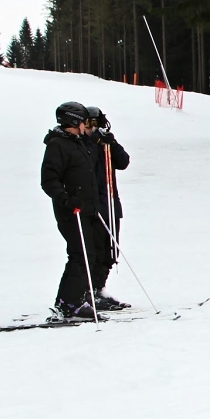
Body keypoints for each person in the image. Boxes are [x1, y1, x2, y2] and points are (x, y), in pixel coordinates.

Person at [40, 101, 102, 320]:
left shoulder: (77, 143)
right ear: (74, 122)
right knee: (81, 255)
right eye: (85, 121)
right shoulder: (57, 145)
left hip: (86, 210)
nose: (87, 126)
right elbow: (49, 180)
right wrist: (66, 199)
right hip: (71, 211)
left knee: (86, 255)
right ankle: (69, 304)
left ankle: (70, 301)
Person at [84, 105, 131, 310]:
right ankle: (88, 290)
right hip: (92, 206)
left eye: (96, 124)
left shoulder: (105, 142)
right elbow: (86, 164)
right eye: (89, 124)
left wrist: (112, 143)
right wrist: (93, 143)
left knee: (110, 250)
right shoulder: (82, 144)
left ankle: (100, 288)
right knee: (94, 250)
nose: (93, 128)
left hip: (110, 203)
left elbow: (123, 162)